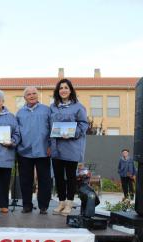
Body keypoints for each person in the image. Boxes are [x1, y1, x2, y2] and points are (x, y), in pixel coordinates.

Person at [50, 79, 89, 216]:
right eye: (61, 88)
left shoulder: (79, 107)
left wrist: (73, 134)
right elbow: (50, 125)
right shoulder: (53, 107)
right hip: (56, 147)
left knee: (71, 177)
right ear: (57, 91)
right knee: (59, 177)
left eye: (66, 88)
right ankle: (61, 202)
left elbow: (84, 124)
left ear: (70, 90)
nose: (63, 90)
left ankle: (69, 203)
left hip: (72, 147)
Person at [16, 86, 52, 215]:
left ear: (37, 95)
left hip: (43, 150)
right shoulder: (19, 113)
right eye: (29, 94)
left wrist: (50, 145)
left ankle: (43, 206)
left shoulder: (47, 110)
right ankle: (27, 205)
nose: (32, 96)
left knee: (44, 180)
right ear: (25, 97)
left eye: (34, 93)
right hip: (24, 151)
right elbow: (17, 132)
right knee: (25, 180)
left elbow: (52, 129)